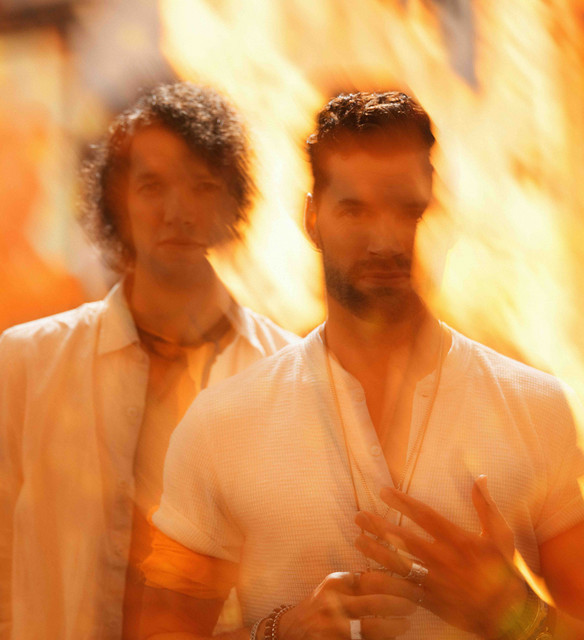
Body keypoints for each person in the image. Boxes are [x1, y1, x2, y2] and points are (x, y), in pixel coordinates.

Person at [137, 92, 584, 639]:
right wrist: (280, 633)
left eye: (407, 211)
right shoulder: (220, 425)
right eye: (355, 210)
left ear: (437, 217)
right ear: (312, 218)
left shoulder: (536, 409)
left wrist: (516, 615)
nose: (384, 239)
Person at [0, 82, 296, 640]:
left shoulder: (286, 373)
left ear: (231, 200)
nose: (177, 212)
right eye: (151, 185)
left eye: (201, 186)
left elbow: (293, 560)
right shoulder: (26, 362)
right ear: (116, 201)